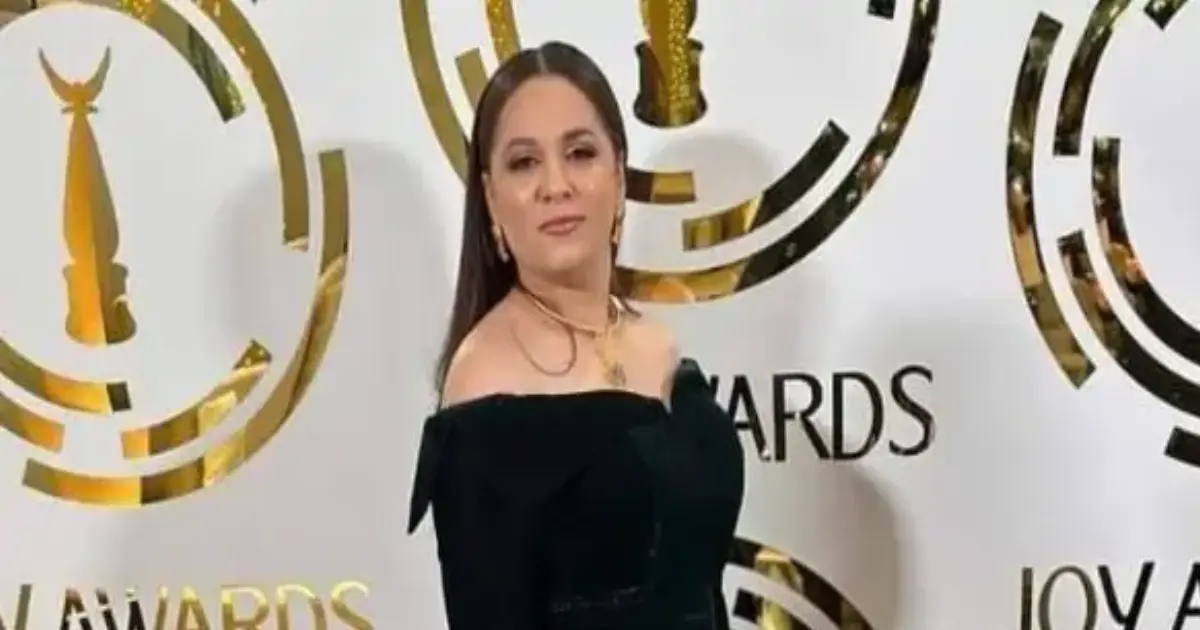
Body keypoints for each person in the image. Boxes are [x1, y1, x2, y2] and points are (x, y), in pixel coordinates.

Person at [406, 40, 745, 629]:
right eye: (524, 163)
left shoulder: (656, 344)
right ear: (490, 198)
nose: (555, 184)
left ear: (619, 173)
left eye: (581, 153)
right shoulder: (484, 381)